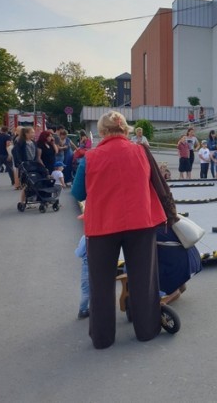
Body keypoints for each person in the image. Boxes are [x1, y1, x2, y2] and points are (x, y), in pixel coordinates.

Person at [72, 111, 169, 349]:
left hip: (102, 225)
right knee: (143, 279)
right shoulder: (141, 152)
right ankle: (146, 330)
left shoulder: (90, 157)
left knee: (101, 283)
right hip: (140, 222)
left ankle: (102, 338)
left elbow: (78, 193)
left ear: (101, 132)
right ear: (125, 130)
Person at [75, 214, 90, 319]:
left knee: (86, 290)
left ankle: (83, 310)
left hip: (87, 265)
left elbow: (79, 253)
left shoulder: (85, 237)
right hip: (100, 264)